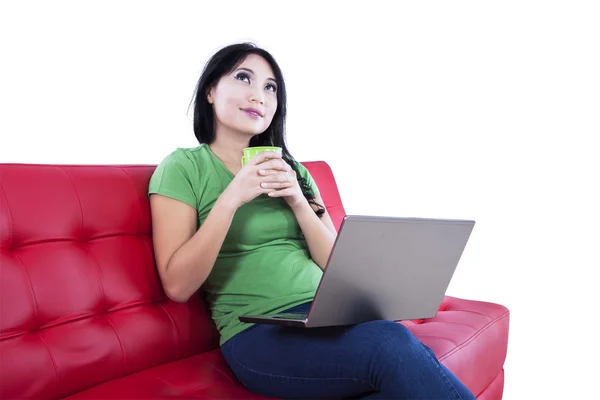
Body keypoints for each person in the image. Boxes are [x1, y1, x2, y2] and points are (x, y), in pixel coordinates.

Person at [148, 42, 476, 400]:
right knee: (390, 343)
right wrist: (232, 197)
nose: (259, 96)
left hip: (326, 318)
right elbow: (177, 286)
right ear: (210, 91)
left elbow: (335, 267)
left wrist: (299, 201)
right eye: (244, 78)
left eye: (270, 87)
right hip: (257, 334)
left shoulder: (295, 171)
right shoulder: (183, 167)